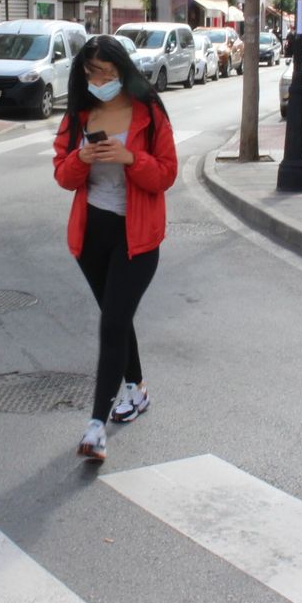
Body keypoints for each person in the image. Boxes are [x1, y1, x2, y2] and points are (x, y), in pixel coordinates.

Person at [52, 35, 178, 463]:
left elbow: (165, 175)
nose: (99, 80)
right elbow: (62, 177)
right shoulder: (79, 116)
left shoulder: (150, 113)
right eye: (91, 73)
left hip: (138, 237)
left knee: (112, 323)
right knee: (117, 317)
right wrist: (81, 159)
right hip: (92, 237)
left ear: (122, 69)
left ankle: (95, 427)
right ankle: (136, 391)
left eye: (106, 72)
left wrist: (129, 158)